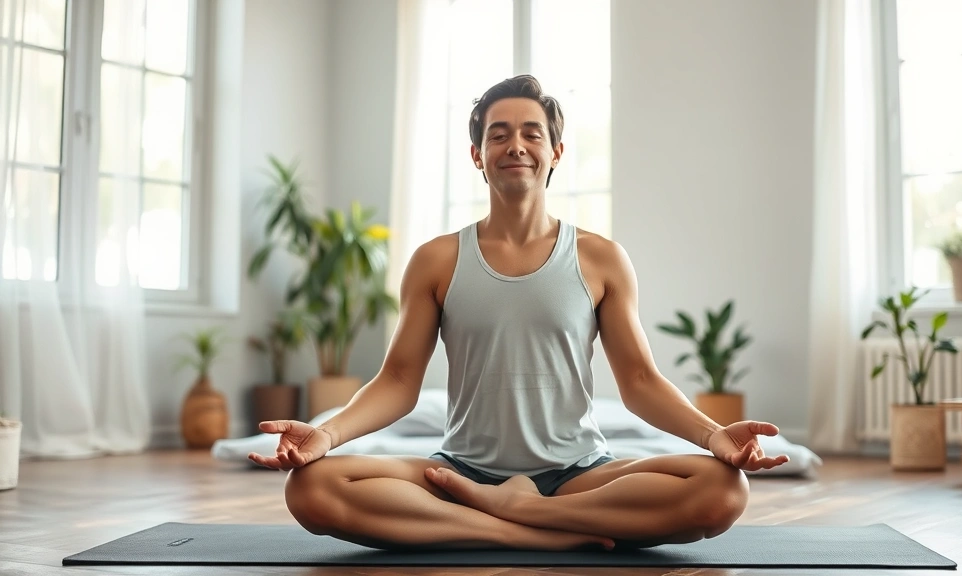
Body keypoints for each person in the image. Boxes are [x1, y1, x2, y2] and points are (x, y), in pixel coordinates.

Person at [249, 75, 789, 552]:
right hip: (459, 471)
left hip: (578, 474)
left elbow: (642, 380)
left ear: (556, 151)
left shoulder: (600, 258)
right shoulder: (436, 259)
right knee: (311, 489)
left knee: (721, 491)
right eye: (498, 133)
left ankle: (530, 512)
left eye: (532, 133)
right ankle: (506, 528)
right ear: (477, 154)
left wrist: (715, 435)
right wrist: (328, 433)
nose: (516, 145)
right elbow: (396, 380)